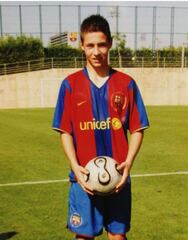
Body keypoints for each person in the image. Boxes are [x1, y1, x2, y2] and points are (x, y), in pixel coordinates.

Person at [52, 14, 149, 240]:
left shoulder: (126, 84)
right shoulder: (70, 85)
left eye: (101, 45)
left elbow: (137, 129)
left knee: (117, 236)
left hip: (118, 178)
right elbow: (65, 131)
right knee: (84, 237)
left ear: (110, 44)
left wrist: (128, 165)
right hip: (84, 178)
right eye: (90, 45)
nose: (96, 51)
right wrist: (75, 167)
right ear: (82, 47)